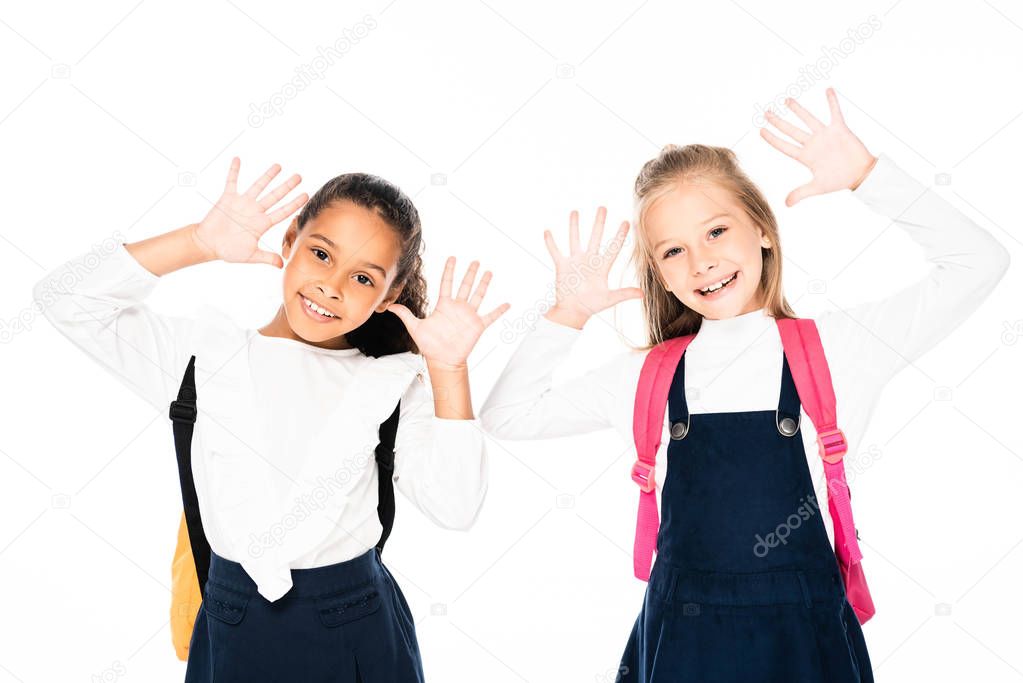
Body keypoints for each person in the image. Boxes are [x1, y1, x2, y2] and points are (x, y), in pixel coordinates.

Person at [479, 89, 1010, 681]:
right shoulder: (649, 374)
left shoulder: (840, 348)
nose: (701, 262)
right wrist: (568, 315)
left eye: (716, 231)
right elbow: (508, 416)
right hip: (685, 639)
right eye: (673, 250)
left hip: (803, 641)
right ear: (658, 273)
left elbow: (979, 262)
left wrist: (867, 176)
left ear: (762, 229)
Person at [33, 158, 509, 682]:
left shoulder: (393, 384)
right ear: (289, 241)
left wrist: (448, 371)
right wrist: (199, 241)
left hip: (355, 624)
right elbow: (65, 300)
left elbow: (457, 507)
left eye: (362, 277)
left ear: (388, 298)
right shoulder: (201, 357)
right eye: (321, 253)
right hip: (233, 621)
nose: (330, 286)